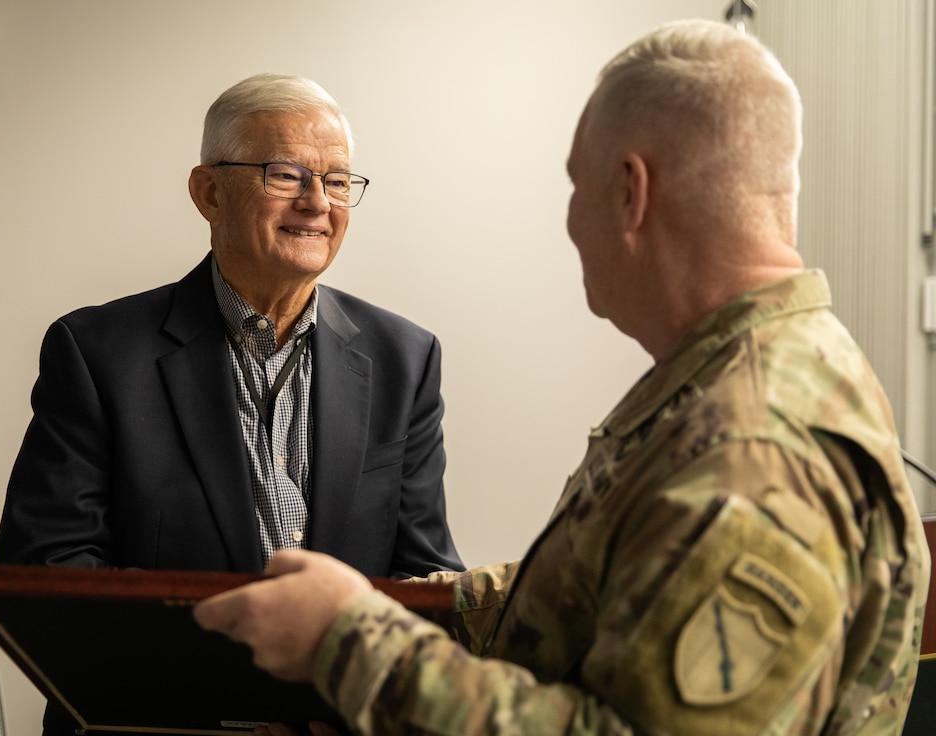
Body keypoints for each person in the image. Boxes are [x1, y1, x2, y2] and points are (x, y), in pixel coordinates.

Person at [193, 20, 931, 735]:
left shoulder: (755, 446)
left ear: (629, 192)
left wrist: (350, 644)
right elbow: (617, 584)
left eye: (576, 186)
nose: (571, 223)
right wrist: (403, 605)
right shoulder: (745, 381)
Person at [0, 73, 464, 733]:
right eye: (285, 174)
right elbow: (51, 577)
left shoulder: (405, 360)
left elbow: (425, 576)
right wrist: (242, 691)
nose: (316, 202)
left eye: (336, 181)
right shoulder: (96, 352)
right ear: (208, 192)